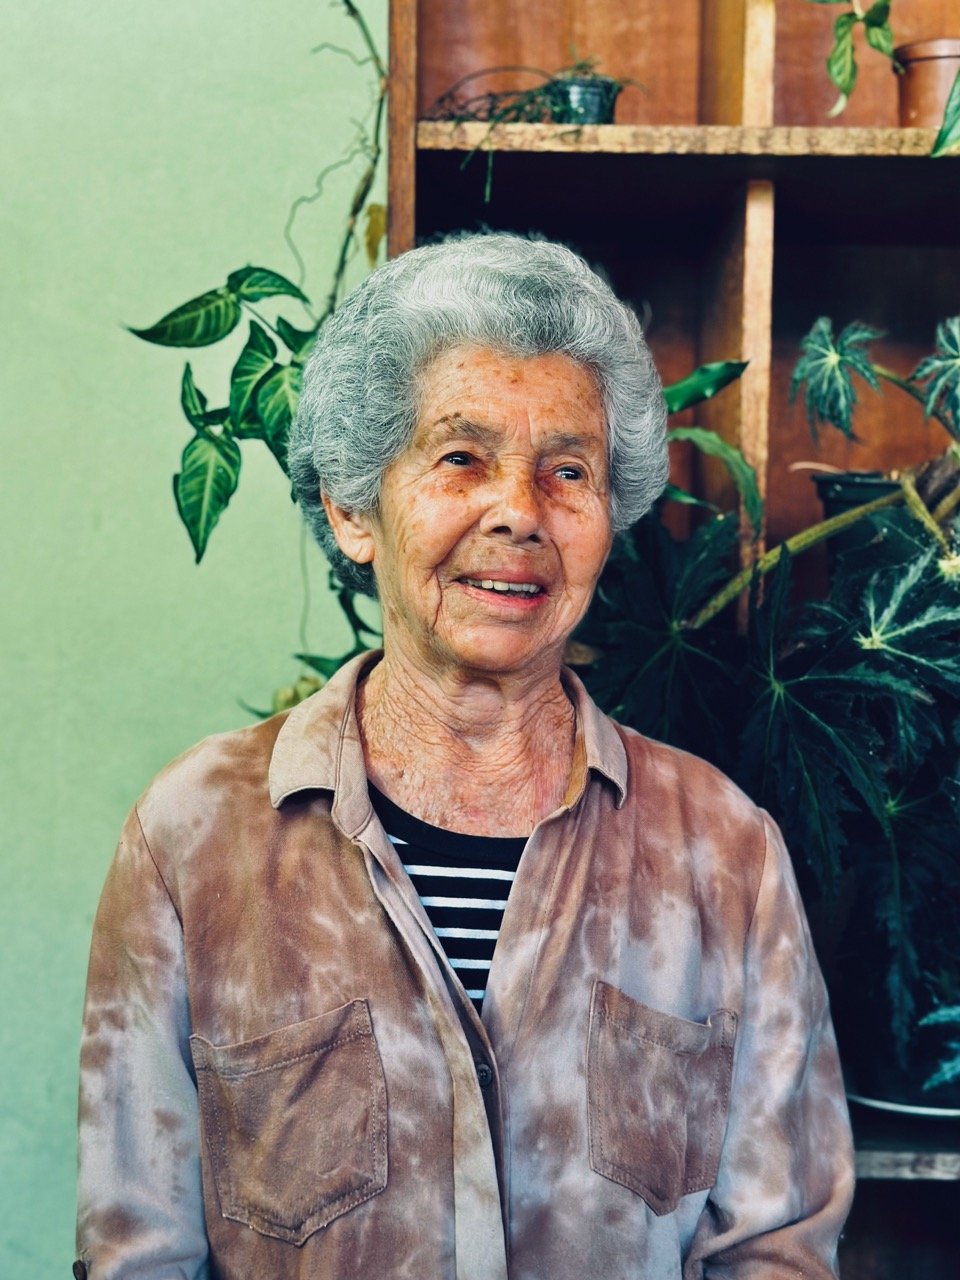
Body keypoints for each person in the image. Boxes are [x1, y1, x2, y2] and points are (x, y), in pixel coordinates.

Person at [76, 233, 855, 1280]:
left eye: (566, 471)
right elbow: (138, 1255)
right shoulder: (193, 838)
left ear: (609, 515)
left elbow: (777, 1251)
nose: (520, 513)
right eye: (461, 459)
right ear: (353, 508)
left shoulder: (725, 853)